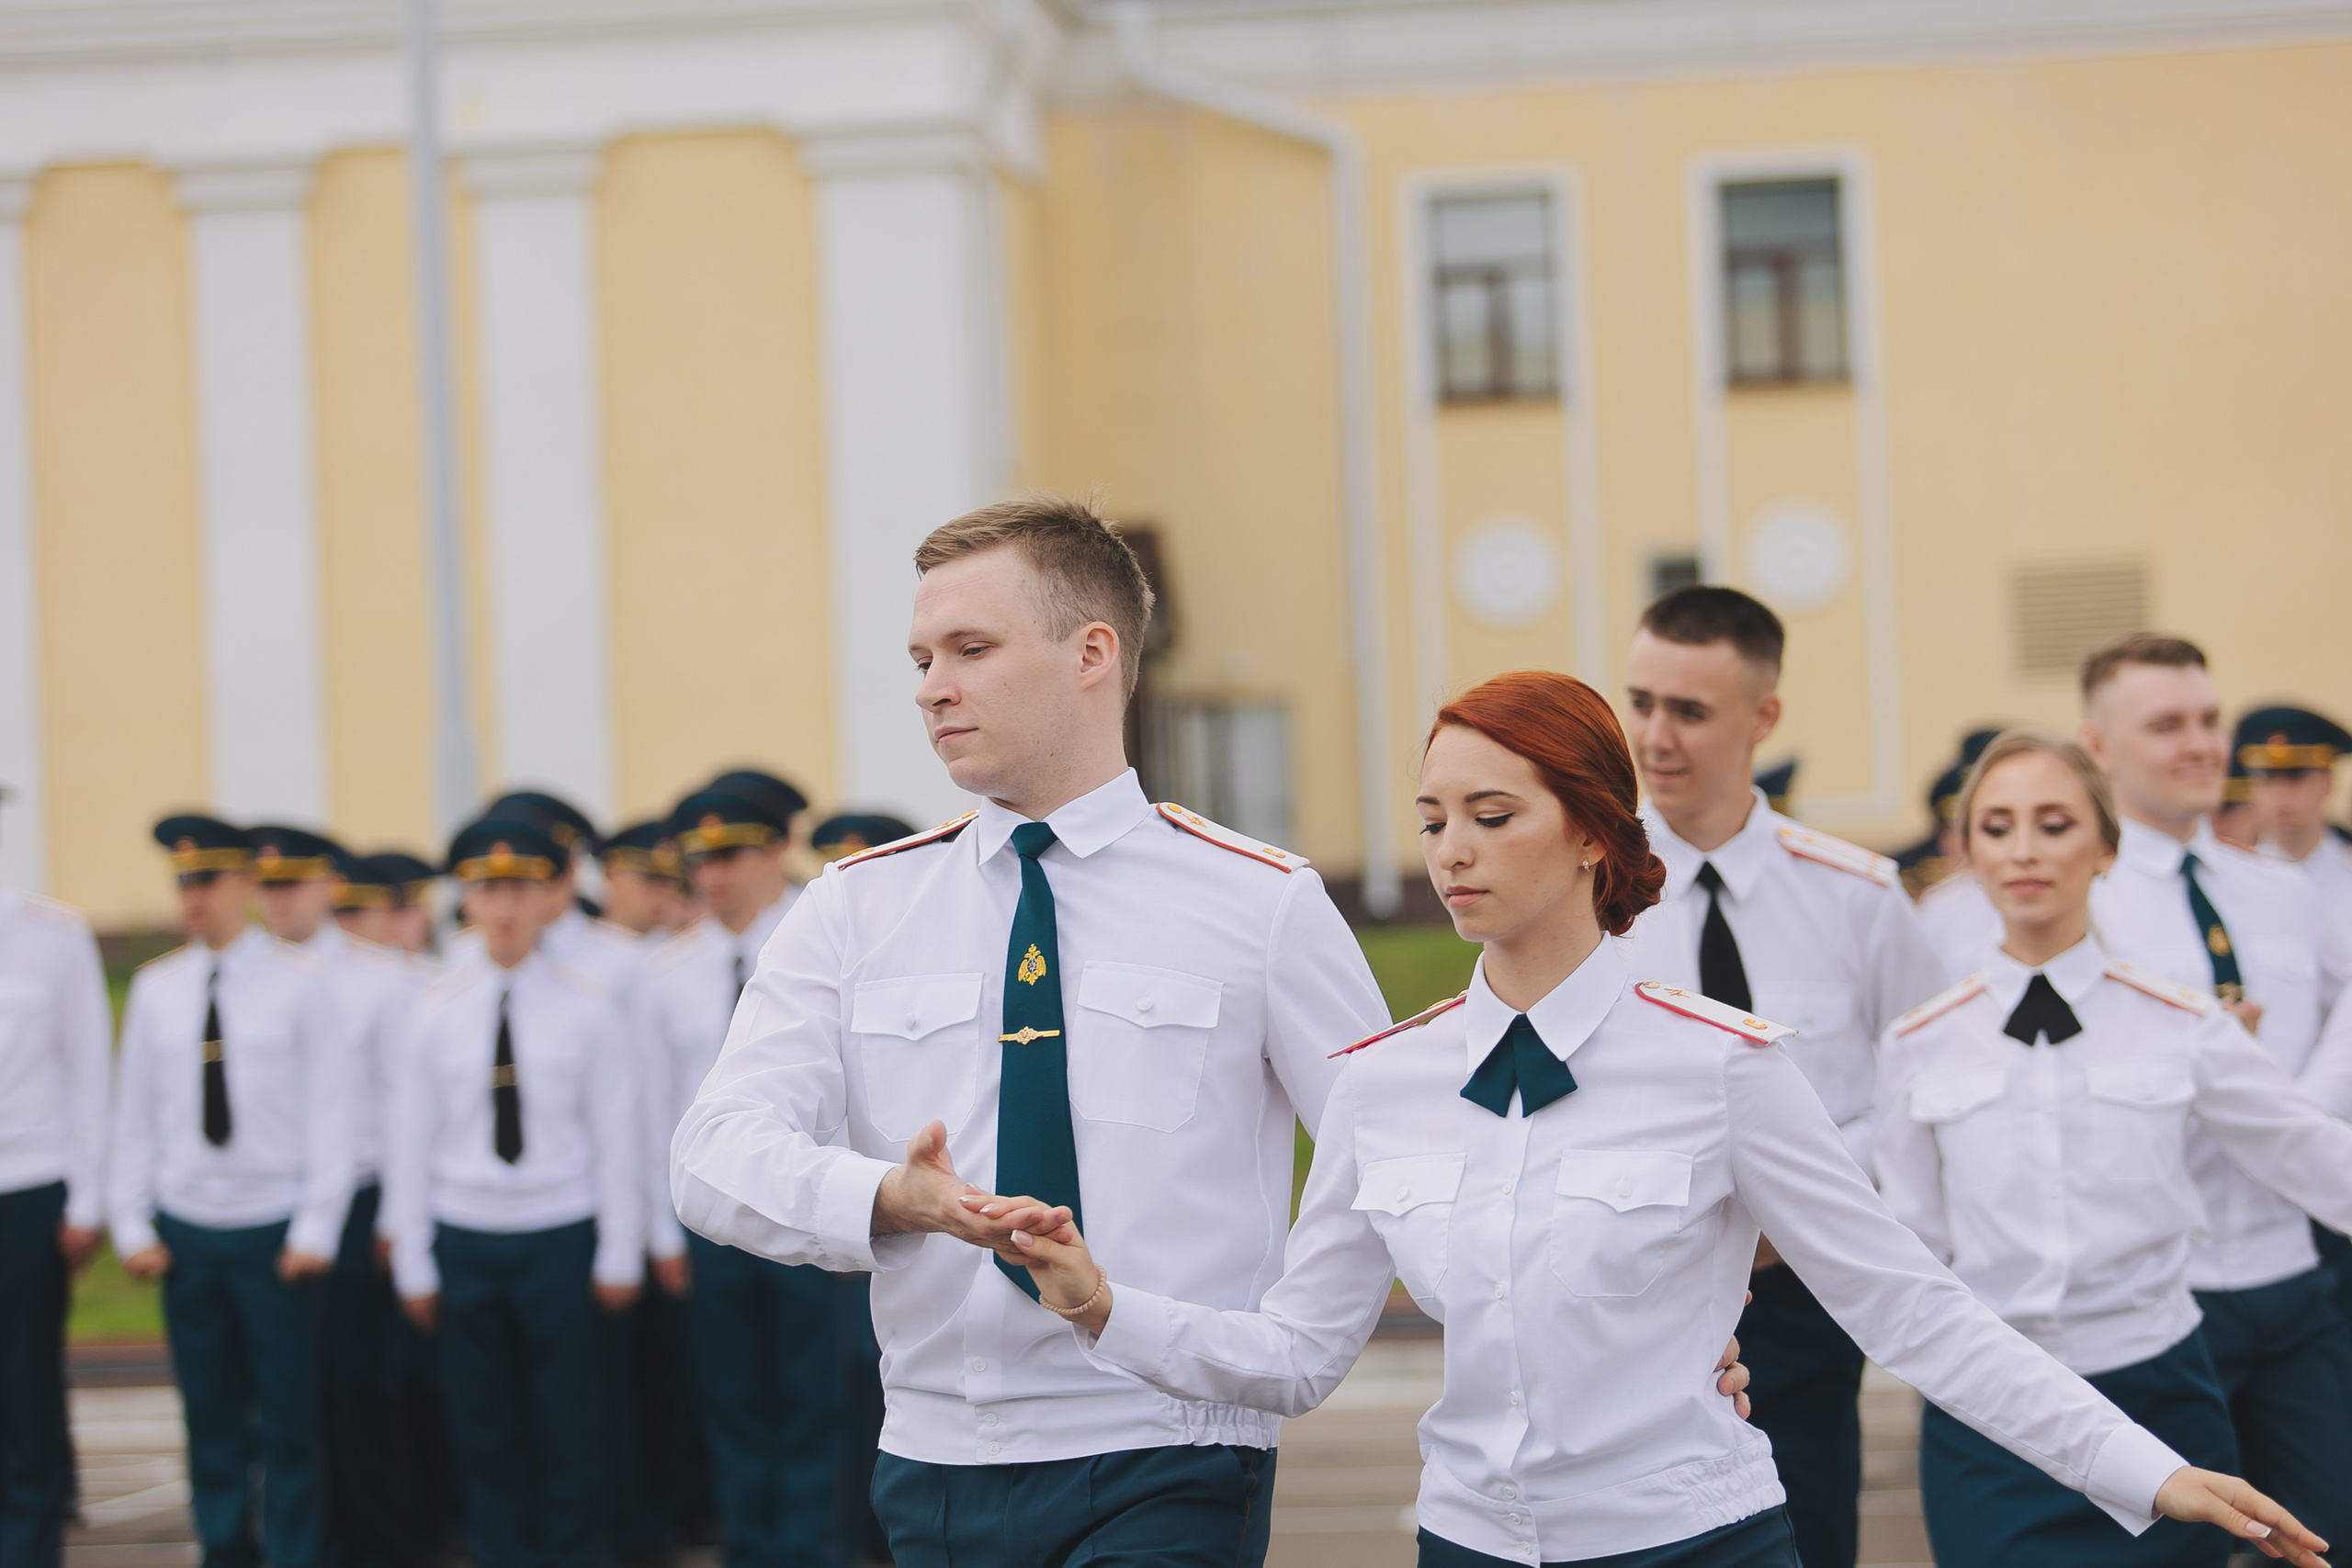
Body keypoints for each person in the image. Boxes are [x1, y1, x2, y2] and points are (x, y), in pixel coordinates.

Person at [984, 672, 2324, 1568]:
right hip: (1466, 1540)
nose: (1450, 848)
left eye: (1492, 813)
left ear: (1588, 832)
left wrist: (2145, 1470)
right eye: (1433, 815)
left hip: (1693, 1541)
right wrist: (1109, 1306)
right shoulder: (1385, 1081)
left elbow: (1913, 1306)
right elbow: (1297, 1349)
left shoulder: (1722, 1066)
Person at [671, 494, 1407, 1568]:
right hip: (934, 1459)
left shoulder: (1259, 900)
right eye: (920, 658)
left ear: (1091, 653)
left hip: (1167, 1436)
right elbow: (712, 1154)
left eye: (970, 648)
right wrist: (888, 1197)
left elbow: (1385, 1149)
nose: (933, 688)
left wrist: (1281, 1353)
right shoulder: (855, 906)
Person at [1875, 728, 2352, 1566]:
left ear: (2106, 846)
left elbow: (2317, 1158)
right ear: (1971, 854)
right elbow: (1914, 1253)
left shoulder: (2181, 1022)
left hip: (2161, 1397)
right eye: (1997, 826)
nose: (2023, 850)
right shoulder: (1919, 1043)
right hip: (1994, 1413)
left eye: (2054, 823)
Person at [1613, 586, 1951, 1568]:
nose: (1654, 735)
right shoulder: (1586, 888)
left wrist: (1801, 1198)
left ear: (1763, 717)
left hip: (1801, 1301)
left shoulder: (1858, 896)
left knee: (1806, 1536)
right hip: (1636, 1286)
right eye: (1640, 702)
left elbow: (1920, 1088)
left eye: (1689, 710)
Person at [2075, 637, 2352, 1548]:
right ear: (2100, 746)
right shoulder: (2087, 908)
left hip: (2291, 1276)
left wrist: (2291, 1110)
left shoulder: (2282, 892)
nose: (2200, 745)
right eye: (2166, 726)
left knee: (2327, 1537)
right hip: (2167, 1294)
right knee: (2177, 1549)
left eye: (2206, 721)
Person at [384, 815, 645, 1568]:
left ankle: (572, 1552)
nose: (502, 908)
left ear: (545, 899)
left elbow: (614, 1134)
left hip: (560, 1230)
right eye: (486, 891)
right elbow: (412, 1142)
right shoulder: (435, 1007)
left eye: (519, 891)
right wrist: (414, 1262)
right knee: (484, 1420)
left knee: (567, 1416)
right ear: (465, 900)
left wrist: (620, 1250)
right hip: (467, 1231)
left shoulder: (586, 1003)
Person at [110, 815, 355, 1568]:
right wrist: (131, 1221)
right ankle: (224, 1547)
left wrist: (315, 1228)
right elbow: (138, 1113)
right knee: (209, 1411)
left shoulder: (301, 985)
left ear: (246, 884)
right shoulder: (157, 988)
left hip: (271, 1225)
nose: (195, 897)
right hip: (188, 1225)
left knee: (287, 1417)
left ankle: (292, 1553)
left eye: (209, 880)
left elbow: (330, 1115)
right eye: (184, 882)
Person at [644, 778, 842, 1566]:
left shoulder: (823, 938)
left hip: (806, 1203)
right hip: (713, 1216)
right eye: (701, 859)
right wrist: (664, 1227)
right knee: (730, 1395)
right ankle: (753, 1546)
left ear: (776, 851)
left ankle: (813, 1549)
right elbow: (657, 1111)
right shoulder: (669, 971)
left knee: (813, 1395)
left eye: (732, 855)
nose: (714, 875)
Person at [249, 826, 419, 1568]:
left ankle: (377, 1541)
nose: (279, 901)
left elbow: (403, 1105)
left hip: (361, 1203)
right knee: (286, 1393)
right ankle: (304, 1543)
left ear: (327, 887)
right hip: (272, 1201)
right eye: (268, 886)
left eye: (292, 884)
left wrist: (396, 1219)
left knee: (359, 1386)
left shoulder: (378, 976)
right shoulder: (243, 977)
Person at [0, 820, 111, 1568]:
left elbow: (89, 1071)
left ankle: (27, 1547)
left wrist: (89, 1198)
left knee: (23, 1382)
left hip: (26, 1184)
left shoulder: (52, 934)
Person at [601, 819, 695, 944]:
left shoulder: (686, 952)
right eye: (651, 878)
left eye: (671, 880)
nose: (663, 891)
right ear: (611, 872)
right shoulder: (578, 950)